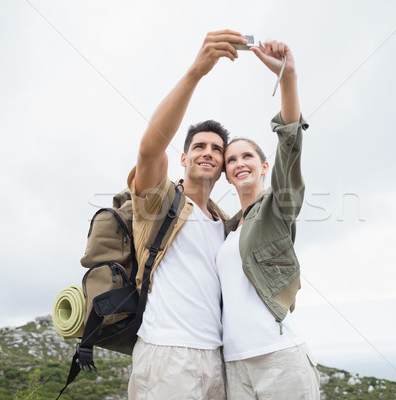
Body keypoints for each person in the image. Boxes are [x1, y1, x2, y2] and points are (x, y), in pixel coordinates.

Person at [126, 30, 249, 399]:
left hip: (217, 359)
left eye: (216, 149)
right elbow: (149, 150)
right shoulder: (161, 202)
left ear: (224, 167)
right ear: (183, 158)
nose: (207, 152)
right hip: (167, 356)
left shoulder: (226, 224)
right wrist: (196, 72)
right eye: (198, 146)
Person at [217, 40, 321, 399]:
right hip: (234, 363)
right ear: (227, 175)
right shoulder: (227, 230)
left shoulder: (278, 208)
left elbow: (290, 149)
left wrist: (286, 77)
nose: (239, 163)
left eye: (247, 156)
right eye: (231, 160)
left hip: (278, 357)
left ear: (263, 167)